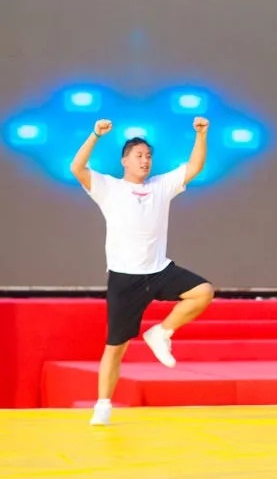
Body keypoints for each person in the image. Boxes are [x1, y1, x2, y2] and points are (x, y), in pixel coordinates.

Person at [70, 117, 215, 426]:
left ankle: (161, 332)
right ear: (124, 161)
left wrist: (201, 135)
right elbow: (77, 168)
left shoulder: (161, 186)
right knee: (116, 347)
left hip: (159, 270)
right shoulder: (109, 187)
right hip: (124, 278)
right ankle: (103, 405)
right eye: (138, 155)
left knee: (203, 292)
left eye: (148, 156)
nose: (145, 161)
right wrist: (95, 134)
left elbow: (195, 166)